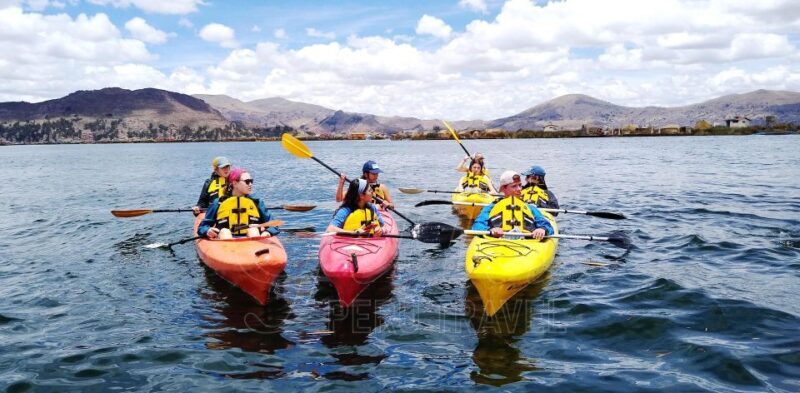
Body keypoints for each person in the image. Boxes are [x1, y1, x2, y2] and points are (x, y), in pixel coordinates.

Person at [198, 168, 280, 239]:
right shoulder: (218, 203)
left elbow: (273, 224)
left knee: (253, 231)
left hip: (252, 239)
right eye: (247, 182)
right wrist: (207, 230)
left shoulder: (256, 202)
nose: (250, 184)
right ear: (235, 183)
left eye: (251, 181)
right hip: (225, 239)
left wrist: (268, 232)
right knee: (224, 232)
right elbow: (202, 227)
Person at [472, 171, 554, 240]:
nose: (519, 189)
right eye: (514, 186)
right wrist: (491, 230)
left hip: (526, 242)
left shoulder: (530, 207)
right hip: (498, 241)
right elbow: (477, 226)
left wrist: (542, 229)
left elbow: (546, 225)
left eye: (520, 185)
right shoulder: (491, 207)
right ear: (503, 188)